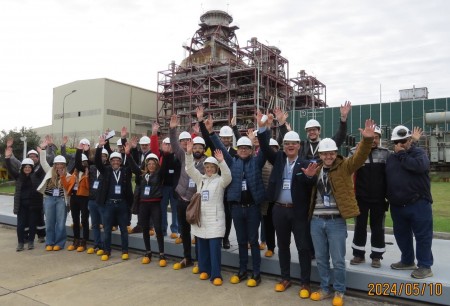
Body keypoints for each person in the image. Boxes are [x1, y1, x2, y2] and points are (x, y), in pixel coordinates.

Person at [307, 119, 375, 306]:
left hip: (336, 221)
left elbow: (359, 157)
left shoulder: (344, 166)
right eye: (324, 153)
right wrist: (308, 178)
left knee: (337, 260)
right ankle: (325, 289)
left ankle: (339, 291)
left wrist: (367, 140)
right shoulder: (317, 170)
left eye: (331, 153)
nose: (328, 156)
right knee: (321, 259)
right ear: (320, 154)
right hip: (316, 221)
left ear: (336, 153)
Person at [206, 113, 267, 287]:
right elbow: (221, 149)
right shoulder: (232, 162)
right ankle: (242, 270)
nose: (243, 150)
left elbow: (264, 149)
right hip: (237, 208)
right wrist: (211, 132)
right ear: (237, 149)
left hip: (253, 208)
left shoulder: (257, 162)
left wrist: (261, 131)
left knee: (253, 241)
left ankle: (256, 273)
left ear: (250, 150)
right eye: (240, 148)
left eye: (246, 148)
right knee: (241, 241)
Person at [257, 112, 313, 298]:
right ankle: (285, 278)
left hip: (298, 212)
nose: (290, 146)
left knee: (303, 247)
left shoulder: (305, 163)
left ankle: (305, 282)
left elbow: (310, 186)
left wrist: (309, 177)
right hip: (279, 210)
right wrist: (263, 128)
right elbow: (264, 147)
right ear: (284, 146)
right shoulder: (279, 159)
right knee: (283, 245)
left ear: (299, 145)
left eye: (293, 143)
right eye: (287, 143)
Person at [386, 125, 433, 279]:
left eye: (404, 140)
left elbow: (420, 167)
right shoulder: (391, 158)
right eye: (397, 141)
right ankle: (407, 261)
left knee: (423, 236)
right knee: (401, 236)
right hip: (398, 206)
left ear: (409, 140)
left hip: (418, 203)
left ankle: (425, 266)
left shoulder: (418, 153)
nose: (400, 144)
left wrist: (402, 155)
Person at [185, 141, 232, 286]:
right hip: (201, 220)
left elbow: (228, 175)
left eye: (212, 167)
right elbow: (190, 169)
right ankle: (204, 270)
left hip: (215, 221)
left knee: (214, 249)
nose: (209, 169)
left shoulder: (220, 181)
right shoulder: (201, 180)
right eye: (207, 167)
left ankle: (216, 274)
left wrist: (222, 161)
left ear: (216, 168)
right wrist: (188, 154)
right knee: (202, 247)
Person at [169, 114, 207, 270]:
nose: (196, 149)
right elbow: (174, 144)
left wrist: (201, 131)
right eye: (194, 147)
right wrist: (173, 129)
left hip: (196, 202)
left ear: (204, 149)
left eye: (199, 147)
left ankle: (199, 260)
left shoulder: (207, 163)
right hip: (181, 198)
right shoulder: (186, 157)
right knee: (184, 231)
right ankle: (187, 258)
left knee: (197, 231)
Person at [95, 135, 141, 261]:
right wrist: (100, 147)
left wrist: (129, 153)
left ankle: (125, 251)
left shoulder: (126, 171)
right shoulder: (106, 171)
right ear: (110, 161)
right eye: (113, 160)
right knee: (107, 228)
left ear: (121, 162)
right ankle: (107, 250)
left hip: (122, 204)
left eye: (118, 160)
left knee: (123, 229)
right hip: (109, 204)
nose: (115, 162)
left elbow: (136, 168)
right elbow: (98, 162)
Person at [350, 126, 390, 268]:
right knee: (359, 226)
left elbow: (389, 177)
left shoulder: (386, 154)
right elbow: (349, 173)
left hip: (379, 199)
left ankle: (376, 256)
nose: (373, 140)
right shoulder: (355, 152)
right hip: (360, 198)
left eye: (376, 137)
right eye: (371, 137)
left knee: (378, 228)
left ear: (379, 139)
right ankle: (358, 254)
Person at [7, 135, 56, 243]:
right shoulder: (24, 167)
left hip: (39, 197)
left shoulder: (40, 168)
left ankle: (41, 235)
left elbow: (49, 158)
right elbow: (13, 161)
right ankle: (25, 237)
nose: (33, 158)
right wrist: (10, 153)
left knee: (39, 217)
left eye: (35, 156)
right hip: (25, 199)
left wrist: (49, 146)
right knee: (26, 220)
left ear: (38, 158)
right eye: (31, 156)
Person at [5, 147, 45, 251]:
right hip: (21, 205)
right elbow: (10, 168)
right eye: (25, 167)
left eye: (29, 167)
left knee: (32, 224)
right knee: (21, 225)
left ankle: (31, 242)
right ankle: (20, 243)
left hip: (33, 204)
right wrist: (7, 158)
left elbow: (43, 164)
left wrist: (43, 152)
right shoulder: (18, 176)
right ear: (22, 168)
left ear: (32, 167)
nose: (27, 168)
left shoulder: (36, 175)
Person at [36, 139, 72, 251]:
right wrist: (42, 150)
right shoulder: (49, 170)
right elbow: (43, 162)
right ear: (54, 164)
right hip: (49, 199)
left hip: (61, 200)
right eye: (57, 164)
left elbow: (68, 189)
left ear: (65, 165)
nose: (59, 166)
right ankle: (49, 242)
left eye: (61, 164)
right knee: (50, 222)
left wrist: (62, 176)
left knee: (60, 223)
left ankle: (59, 243)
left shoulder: (68, 175)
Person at [138, 153, 167, 267]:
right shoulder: (143, 176)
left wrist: (166, 153)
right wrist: (128, 154)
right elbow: (135, 168)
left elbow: (165, 165)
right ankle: (148, 252)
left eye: (153, 164)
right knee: (145, 228)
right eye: (149, 164)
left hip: (155, 204)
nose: (151, 166)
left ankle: (161, 254)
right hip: (144, 205)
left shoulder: (159, 175)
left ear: (156, 165)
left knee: (158, 229)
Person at [64, 143, 91, 252]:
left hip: (84, 198)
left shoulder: (87, 173)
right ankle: (76, 239)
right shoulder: (73, 174)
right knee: (75, 220)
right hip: (74, 197)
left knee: (84, 220)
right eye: (81, 162)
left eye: (84, 162)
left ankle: (84, 241)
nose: (82, 164)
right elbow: (67, 186)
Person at [159, 137, 181, 239]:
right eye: (166, 144)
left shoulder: (177, 157)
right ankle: (163, 229)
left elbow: (177, 170)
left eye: (169, 144)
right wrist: (165, 154)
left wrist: (170, 154)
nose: (168, 146)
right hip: (164, 187)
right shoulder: (162, 156)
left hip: (174, 187)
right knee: (162, 209)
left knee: (175, 209)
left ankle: (175, 230)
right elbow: (162, 172)